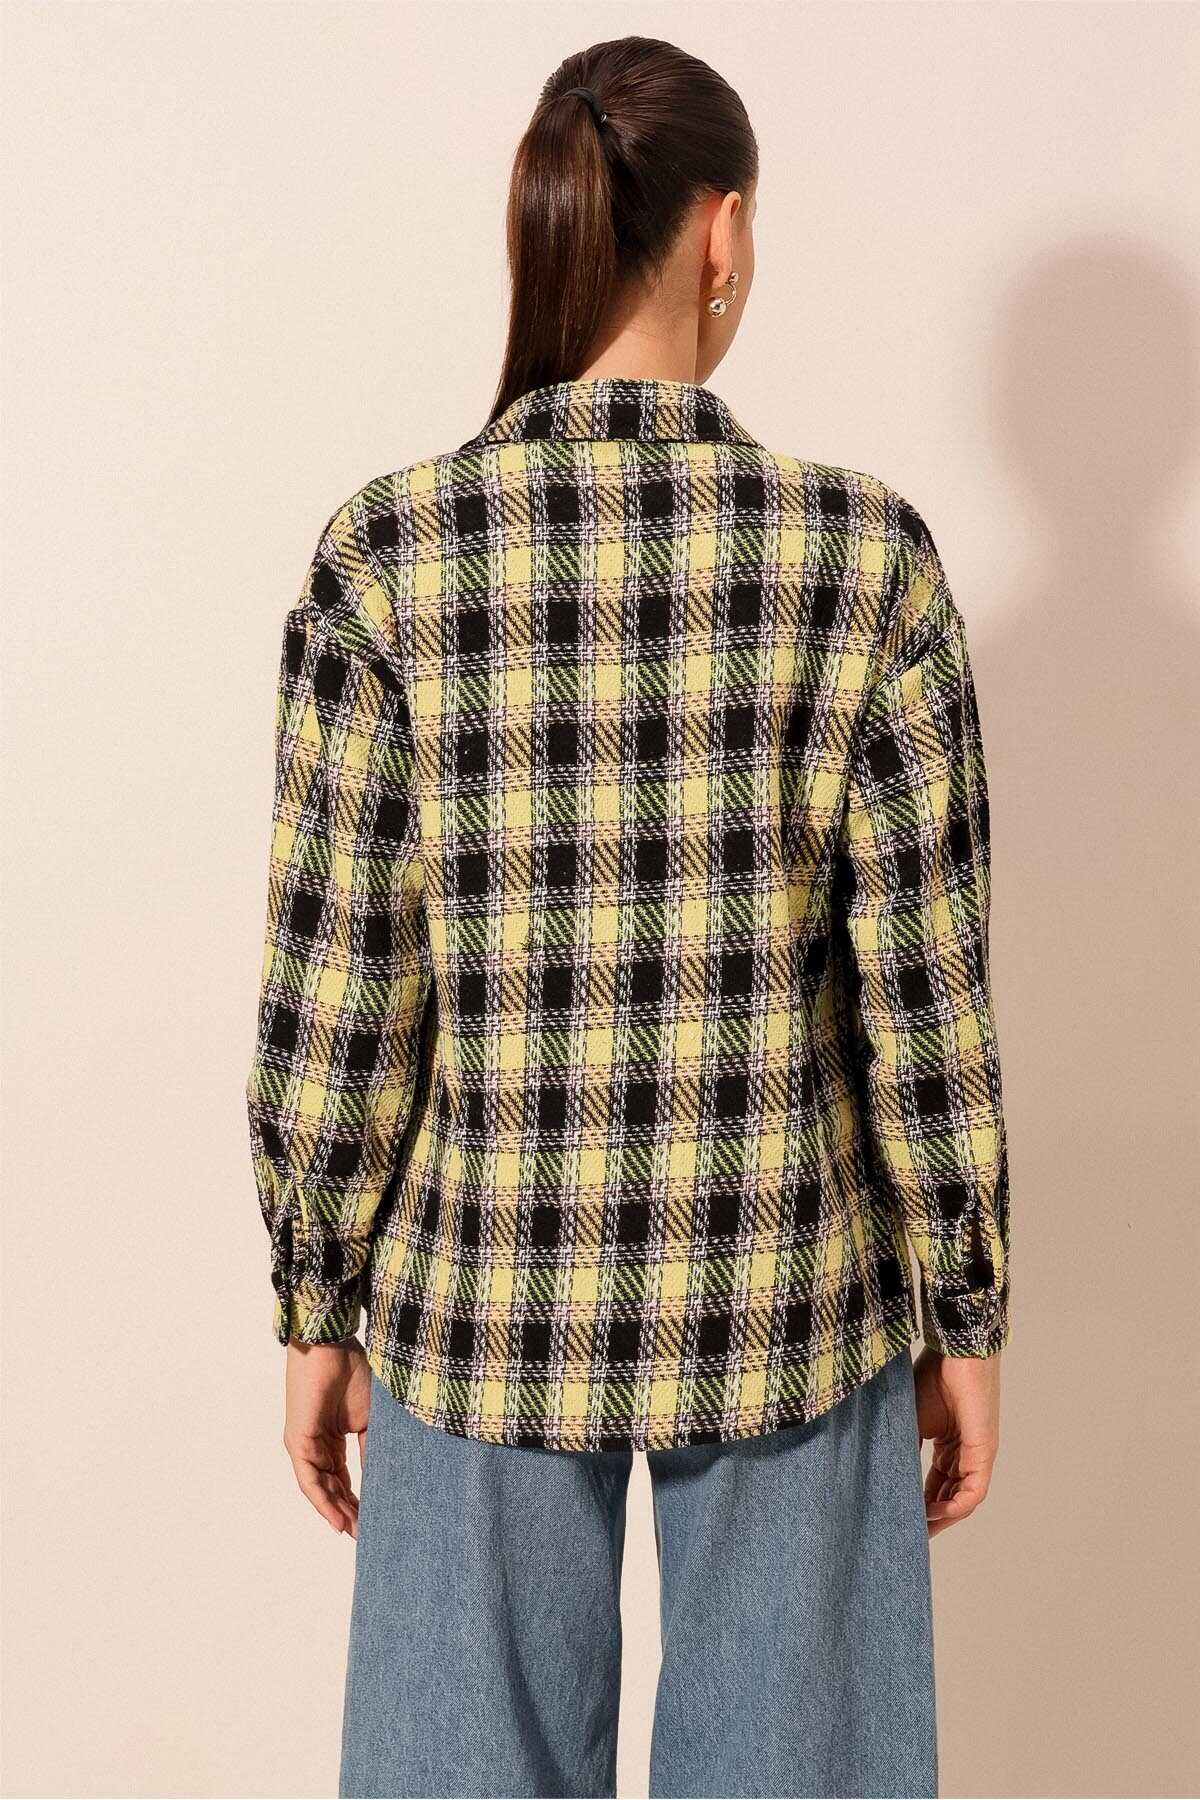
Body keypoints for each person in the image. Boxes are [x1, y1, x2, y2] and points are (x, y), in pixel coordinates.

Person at [244, 33, 1011, 1800]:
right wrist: (966, 1311)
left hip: (477, 1299)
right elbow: (928, 1000)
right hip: (790, 1290)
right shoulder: (864, 562)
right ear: (721, 230)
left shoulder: (390, 559)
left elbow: (341, 988)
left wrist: (314, 1296)